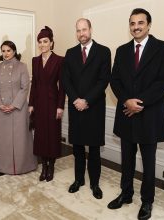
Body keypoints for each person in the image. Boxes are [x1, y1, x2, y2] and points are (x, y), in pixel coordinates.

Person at [107, 8, 164, 220]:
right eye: (132, 23)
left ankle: (147, 201)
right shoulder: (122, 50)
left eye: (140, 23)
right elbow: (114, 80)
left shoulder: (163, 49)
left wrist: (139, 103)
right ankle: (126, 194)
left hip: (149, 116)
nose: (136, 27)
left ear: (149, 25)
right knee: (126, 160)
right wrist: (127, 101)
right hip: (126, 113)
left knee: (148, 162)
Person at [62, 18, 111, 199]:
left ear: (91, 29)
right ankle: (78, 180)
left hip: (94, 107)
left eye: (84, 29)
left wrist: (87, 100)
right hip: (76, 107)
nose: (81, 33)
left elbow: (103, 80)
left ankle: (95, 184)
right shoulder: (70, 53)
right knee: (78, 147)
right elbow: (65, 79)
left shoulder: (103, 52)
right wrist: (76, 99)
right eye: (78, 30)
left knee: (94, 148)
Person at [0, 40, 37, 175]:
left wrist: (14, 105)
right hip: (2, 110)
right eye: (3, 51)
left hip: (19, 108)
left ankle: (24, 166)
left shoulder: (22, 66)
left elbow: (25, 87)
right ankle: (4, 167)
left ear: (14, 51)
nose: (6, 53)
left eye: (8, 50)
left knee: (21, 138)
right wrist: (0, 104)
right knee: (4, 139)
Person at [28, 26, 65, 182]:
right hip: (39, 103)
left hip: (53, 102)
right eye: (40, 42)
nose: (42, 44)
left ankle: (51, 166)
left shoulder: (60, 60)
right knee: (41, 136)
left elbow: (62, 86)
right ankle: (43, 166)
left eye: (45, 41)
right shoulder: (35, 60)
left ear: (51, 43)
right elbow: (34, 84)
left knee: (52, 135)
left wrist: (60, 106)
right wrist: (31, 104)